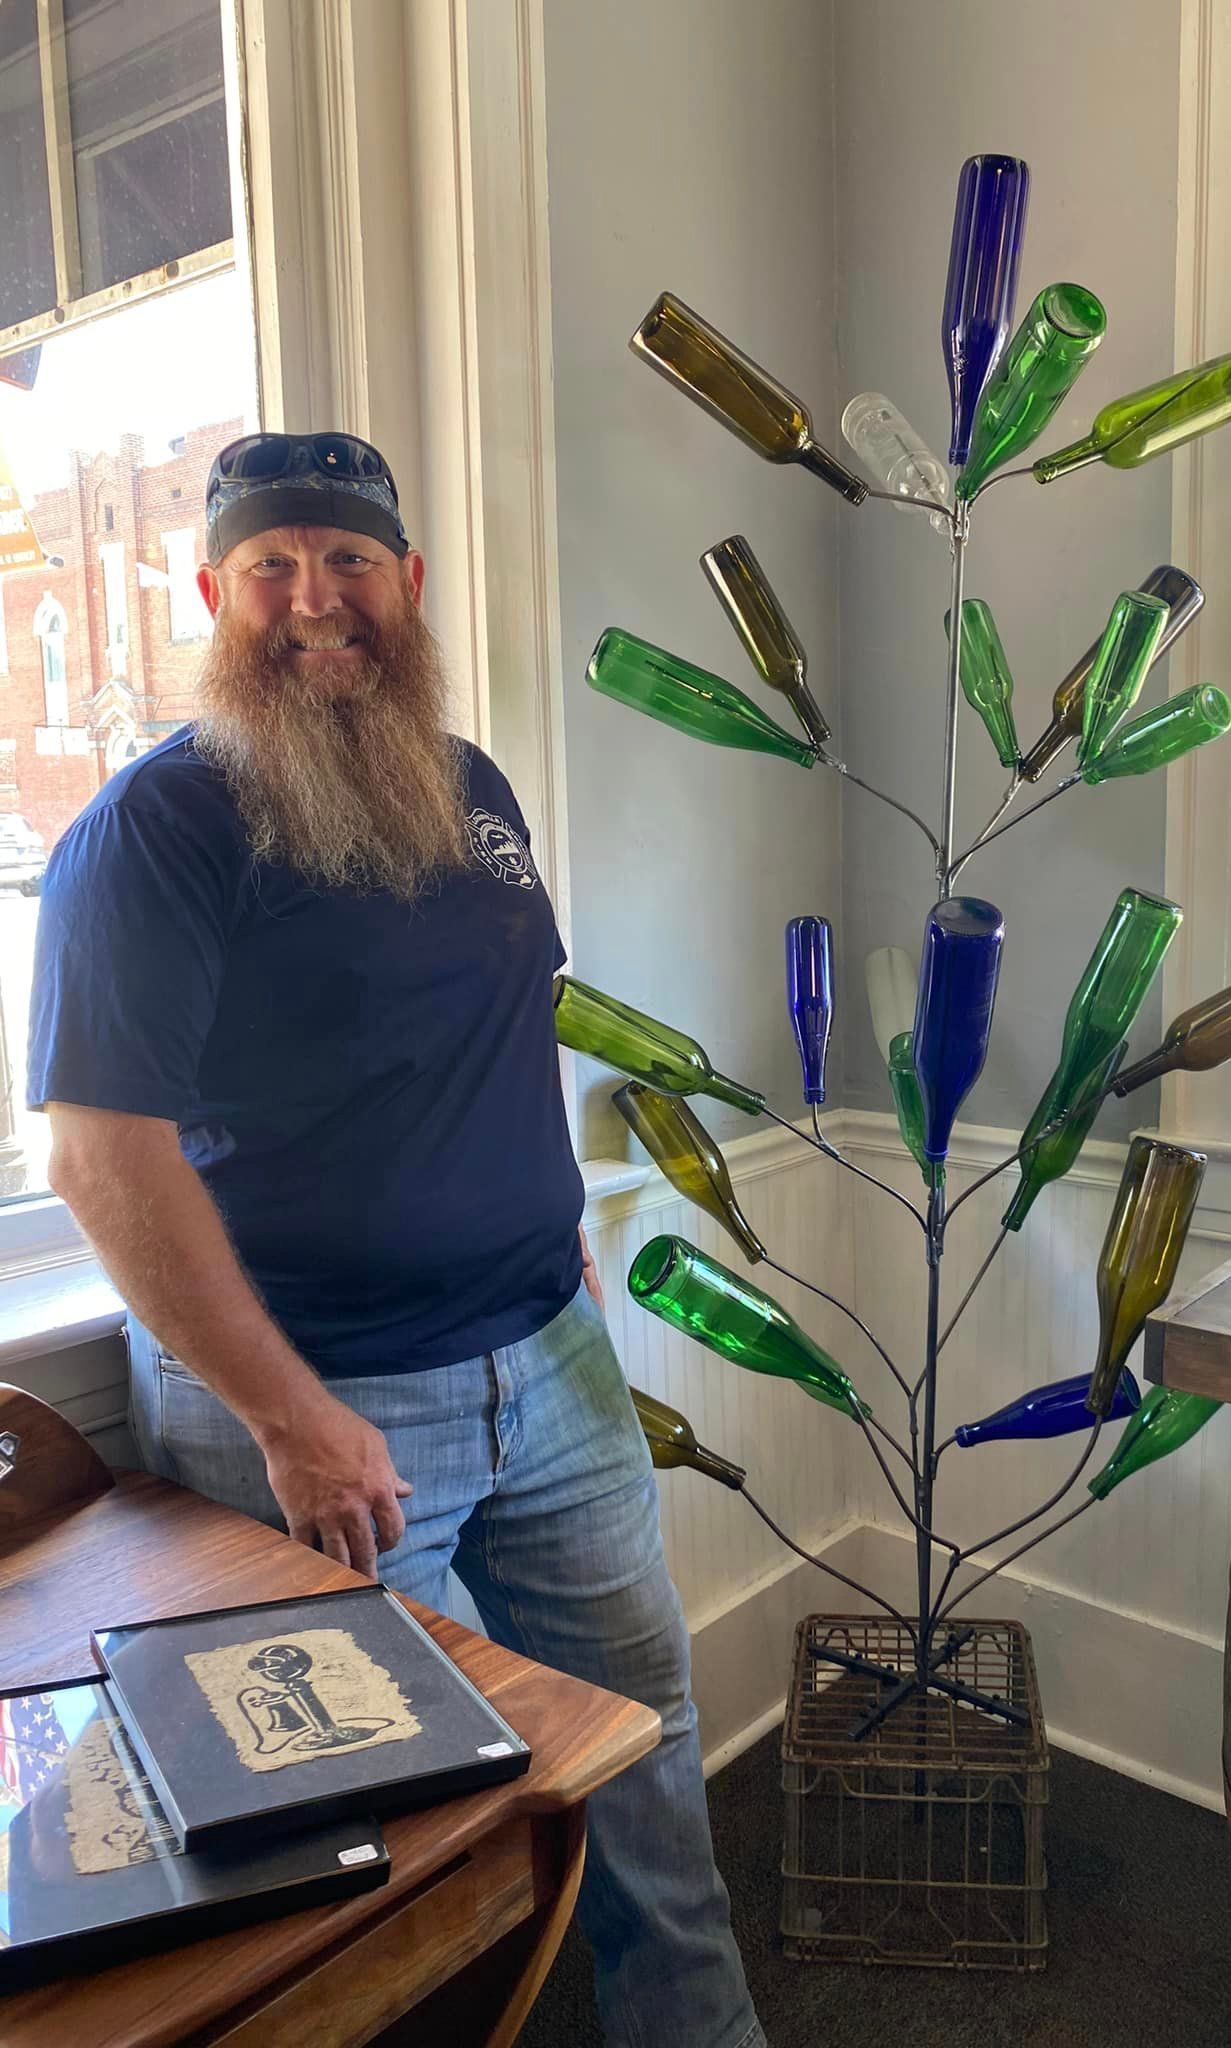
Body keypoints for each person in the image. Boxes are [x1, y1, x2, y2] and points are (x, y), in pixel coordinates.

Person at [26, 431, 765, 2048]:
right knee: (384, 1833)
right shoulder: (156, 833)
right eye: (275, 565)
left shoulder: (469, 785)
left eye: (350, 561)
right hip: (327, 1408)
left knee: (639, 1738)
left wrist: (551, 1225)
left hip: (550, 1362)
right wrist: (292, 1419)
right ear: (216, 592)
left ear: (409, 586)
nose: (316, 599)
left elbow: (510, 1022)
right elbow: (96, 1155)